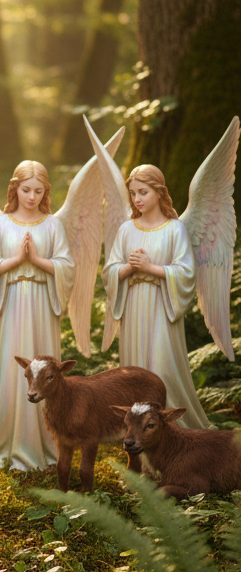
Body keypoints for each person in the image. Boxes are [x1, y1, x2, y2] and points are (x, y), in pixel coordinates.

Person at [0, 161, 75, 470]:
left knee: (44, 368)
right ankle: (11, 440)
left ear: (46, 192)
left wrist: (39, 261)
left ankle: (47, 442)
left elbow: (67, 267)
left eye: (38, 191)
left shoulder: (53, 225)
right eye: (25, 189)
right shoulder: (1, 225)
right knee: (13, 365)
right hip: (12, 303)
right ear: (15, 188)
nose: (31, 196)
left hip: (43, 302)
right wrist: (17, 259)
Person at [102, 164, 209, 429]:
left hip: (162, 306)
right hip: (134, 306)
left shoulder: (175, 229)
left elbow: (186, 273)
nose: (137, 199)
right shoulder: (127, 230)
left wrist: (150, 268)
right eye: (133, 193)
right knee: (136, 371)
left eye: (143, 192)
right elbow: (109, 271)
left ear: (159, 192)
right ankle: (138, 428)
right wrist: (128, 268)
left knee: (162, 365)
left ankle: (169, 428)